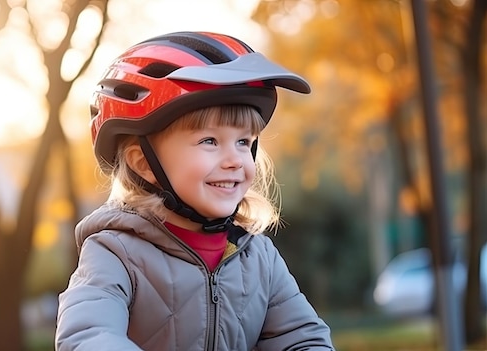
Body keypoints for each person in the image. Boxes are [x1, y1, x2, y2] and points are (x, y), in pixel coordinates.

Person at [55, 31, 334, 351]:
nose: (234, 160)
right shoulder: (116, 253)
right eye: (209, 141)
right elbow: (88, 335)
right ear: (144, 162)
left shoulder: (259, 259)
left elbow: (302, 338)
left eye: (244, 142)